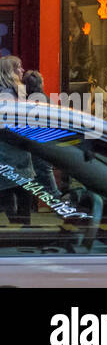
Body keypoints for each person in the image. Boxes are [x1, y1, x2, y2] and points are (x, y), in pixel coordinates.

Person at [0, 56, 34, 226]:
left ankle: (21, 236)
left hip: (16, 159)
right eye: (18, 68)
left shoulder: (16, 91)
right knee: (19, 204)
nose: (22, 70)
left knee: (19, 201)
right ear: (8, 72)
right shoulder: (7, 94)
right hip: (11, 158)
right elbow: (11, 128)